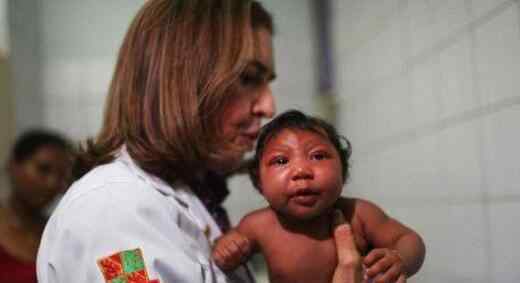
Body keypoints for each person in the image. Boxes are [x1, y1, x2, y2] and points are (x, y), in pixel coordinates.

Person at [37, 1, 368, 283]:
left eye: (266, 82)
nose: (269, 107)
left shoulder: (186, 198)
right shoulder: (110, 213)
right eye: (248, 78)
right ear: (181, 79)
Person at [212, 110, 426, 283]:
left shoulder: (359, 214)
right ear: (259, 181)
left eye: (318, 156)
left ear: (343, 171)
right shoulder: (258, 225)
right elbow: (225, 252)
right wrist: (226, 249)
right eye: (281, 161)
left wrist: (400, 259)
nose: (301, 171)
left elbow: (409, 239)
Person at [0, 130, 72, 283]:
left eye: (62, 175)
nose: (52, 183)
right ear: (13, 165)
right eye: (43, 169)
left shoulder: (60, 234)